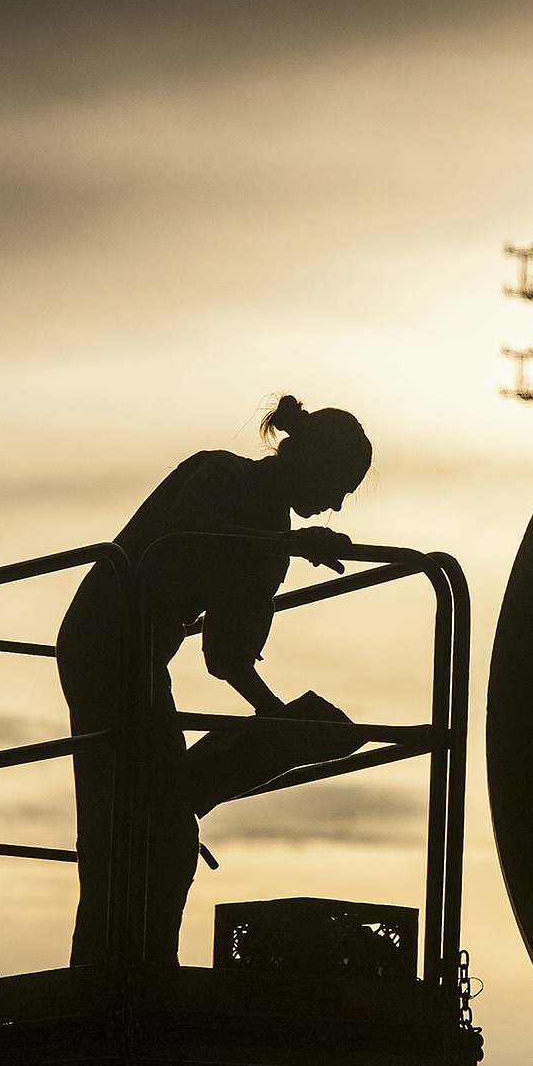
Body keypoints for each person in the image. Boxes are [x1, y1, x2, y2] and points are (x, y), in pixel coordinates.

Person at [57, 394, 370, 966]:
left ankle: (128, 961)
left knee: (154, 825)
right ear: (306, 460)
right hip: (104, 641)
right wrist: (289, 545)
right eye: (339, 485)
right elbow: (188, 535)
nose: (336, 506)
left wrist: (277, 720)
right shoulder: (218, 473)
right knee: (143, 827)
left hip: (141, 659)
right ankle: (120, 970)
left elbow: (226, 655)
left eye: (347, 495)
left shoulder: (274, 547)